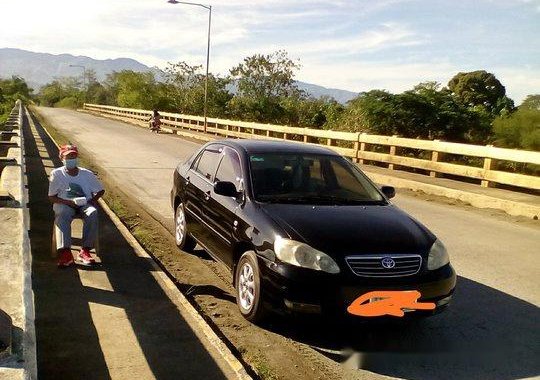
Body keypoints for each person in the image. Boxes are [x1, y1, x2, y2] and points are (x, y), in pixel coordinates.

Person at [48, 144, 105, 267]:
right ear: (61, 158)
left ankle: (85, 250)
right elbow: (52, 197)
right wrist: (68, 202)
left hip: (84, 204)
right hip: (65, 204)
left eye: (74, 156)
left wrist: (92, 200)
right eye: (68, 157)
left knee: (92, 212)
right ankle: (66, 252)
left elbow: (100, 190)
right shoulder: (56, 174)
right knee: (62, 213)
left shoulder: (87, 174)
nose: (71, 159)